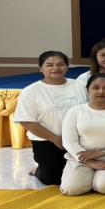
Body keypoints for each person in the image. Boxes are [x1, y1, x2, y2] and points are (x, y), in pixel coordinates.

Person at [14, 51, 87, 186]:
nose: (55, 68)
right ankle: (39, 170)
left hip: (80, 140)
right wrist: (55, 138)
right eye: (49, 65)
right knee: (54, 180)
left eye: (60, 64)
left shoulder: (80, 86)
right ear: (40, 68)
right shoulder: (31, 91)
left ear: (67, 67)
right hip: (48, 141)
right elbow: (27, 121)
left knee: (83, 174)